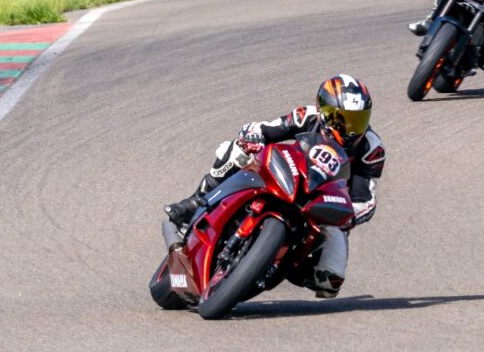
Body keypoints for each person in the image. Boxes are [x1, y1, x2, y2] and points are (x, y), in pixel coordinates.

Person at [164, 75, 385, 299]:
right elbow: (266, 128)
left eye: (357, 120)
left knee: (329, 282)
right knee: (236, 150)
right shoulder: (307, 116)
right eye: (341, 120)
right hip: (291, 177)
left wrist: (348, 216)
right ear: (323, 111)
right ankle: (195, 202)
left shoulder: (372, 149)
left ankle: (289, 265)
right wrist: (253, 136)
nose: (350, 130)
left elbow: (365, 199)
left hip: (324, 204)